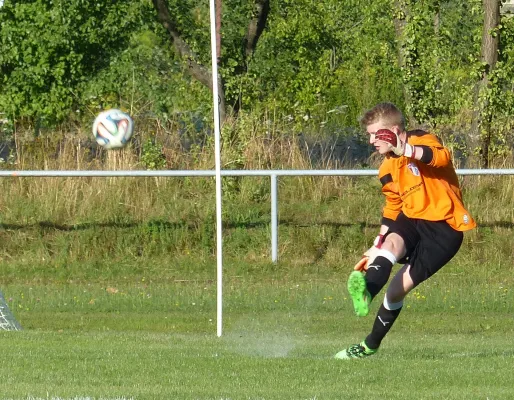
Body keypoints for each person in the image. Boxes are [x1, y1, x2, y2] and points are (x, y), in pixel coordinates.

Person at [334, 102, 476, 360]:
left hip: (444, 231)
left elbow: (439, 157)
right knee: (389, 247)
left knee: (397, 290)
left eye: (375, 134)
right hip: (410, 219)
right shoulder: (387, 167)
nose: (371, 141)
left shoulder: (423, 140)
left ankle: (369, 346)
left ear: (395, 131)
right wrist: (377, 243)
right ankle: (365, 292)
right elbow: (392, 205)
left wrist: (404, 149)